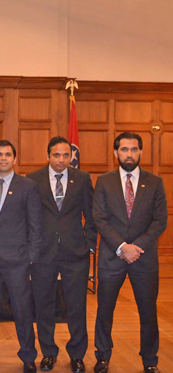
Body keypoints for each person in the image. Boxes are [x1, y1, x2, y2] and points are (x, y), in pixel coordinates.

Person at [92, 132, 167, 373]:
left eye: (134, 149)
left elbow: (160, 221)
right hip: (111, 257)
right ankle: (102, 356)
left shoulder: (155, 182)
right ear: (116, 153)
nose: (129, 154)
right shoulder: (104, 181)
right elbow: (99, 219)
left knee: (148, 313)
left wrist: (136, 247)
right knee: (104, 310)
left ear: (141, 152)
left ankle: (150, 361)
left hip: (144, 259)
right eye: (124, 150)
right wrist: (122, 247)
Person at [27, 136, 97, 373]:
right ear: (48, 156)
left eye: (66, 155)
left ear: (71, 157)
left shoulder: (82, 178)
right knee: (44, 305)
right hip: (43, 253)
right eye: (56, 155)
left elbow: (92, 214)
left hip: (75, 253)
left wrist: (89, 243)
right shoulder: (33, 179)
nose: (61, 159)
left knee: (76, 306)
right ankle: (48, 353)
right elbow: (28, 216)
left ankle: (77, 355)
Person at [0, 140, 42, 373]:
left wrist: (31, 257)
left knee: (22, 310)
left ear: (14, 159)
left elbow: (36, 225)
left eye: (7, 155)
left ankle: (28, 356)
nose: (3, 158)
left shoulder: (28, 186)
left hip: (18, 260)